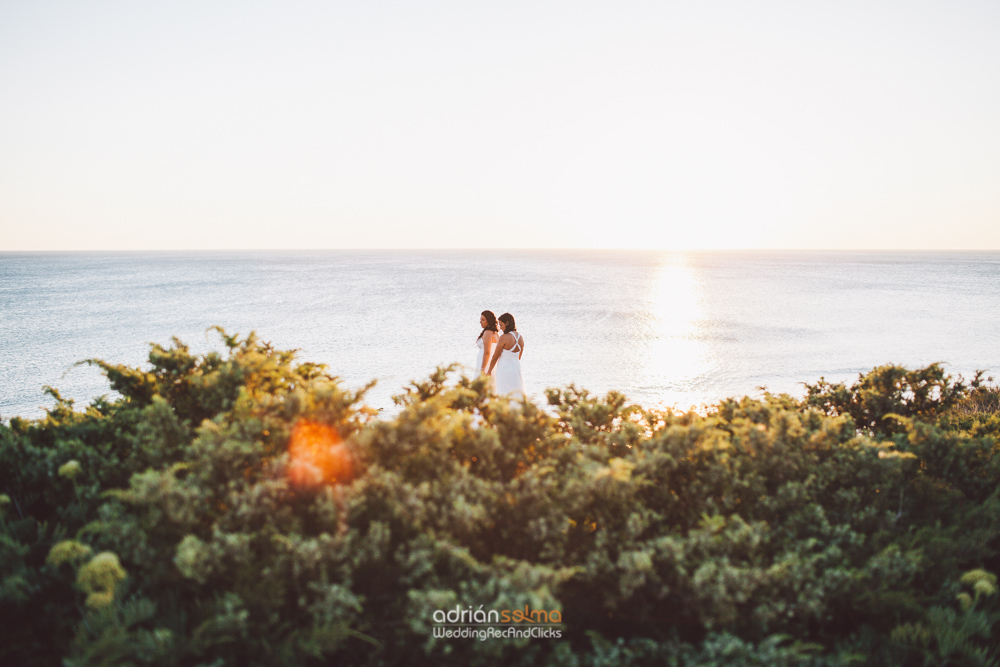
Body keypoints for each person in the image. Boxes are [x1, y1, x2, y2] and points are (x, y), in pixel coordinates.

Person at [487, 312, 526, 400]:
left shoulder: (504, 337)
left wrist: (489, 371)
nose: (500, 328)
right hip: (516, 367)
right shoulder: (520, 337)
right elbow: (519, 356)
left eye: (501, 325)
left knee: (503, 390)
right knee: (516, 390)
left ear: (507, 323)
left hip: (504, 368)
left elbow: (495, 356)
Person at [475, 311, 499, 391]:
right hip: (489, 362)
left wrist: (482, 369)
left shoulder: (488, 332)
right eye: (480, 319)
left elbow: (487, 352)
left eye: (483, 320)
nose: (480, 321)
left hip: (485, 363)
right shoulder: (495, 333)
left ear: (488, 321)